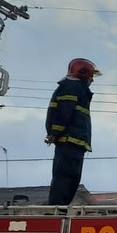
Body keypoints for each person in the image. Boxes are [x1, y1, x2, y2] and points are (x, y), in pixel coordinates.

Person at [45, 58, 101, 206]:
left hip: (75, 141)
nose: (92, 80)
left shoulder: (75, 87)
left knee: (71, 178)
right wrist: (55, 133)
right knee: (65, 178)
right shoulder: (72, 87)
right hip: (69, 140)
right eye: (91, 76)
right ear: (84, 73)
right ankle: (56, 209)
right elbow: (64, 111)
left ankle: (60, 208)